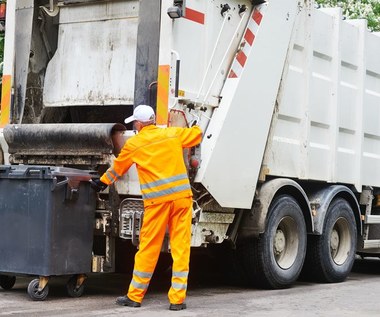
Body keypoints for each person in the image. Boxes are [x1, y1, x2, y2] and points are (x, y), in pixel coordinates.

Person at [90, 105, 202, 311]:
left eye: (135, 122)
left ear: (140, 124)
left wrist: (101, 182)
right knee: (180, 248)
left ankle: (135, 296)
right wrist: (195, 122)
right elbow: (196, 135)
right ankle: (177, 300)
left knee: (148, 248)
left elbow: (118, 167)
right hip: (181, 200)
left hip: (157, 204)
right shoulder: (172, 134)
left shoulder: (136, 143)